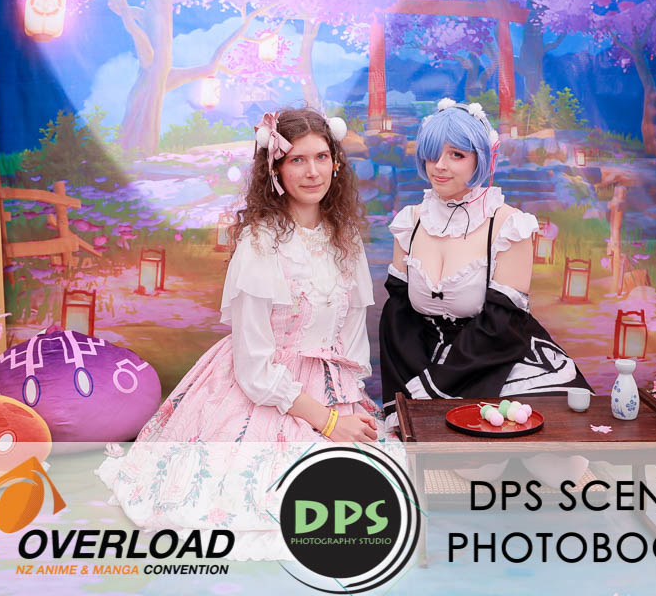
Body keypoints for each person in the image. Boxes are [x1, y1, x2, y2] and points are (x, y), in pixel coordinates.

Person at [97, 108, 378, 558]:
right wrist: (327, 422)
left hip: (330, 389)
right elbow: (255, 371)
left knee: (366, 499)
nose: (313, 171)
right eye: (297, 160)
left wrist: (347, 406)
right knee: (271, 504)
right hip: (265, 391)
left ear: (336, 163)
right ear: (275, 169)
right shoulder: (260, 243)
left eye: (322, 157)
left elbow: (350, 339)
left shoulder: (345, 238)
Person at [379, 99, 591, 429]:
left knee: (543, 445)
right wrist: (414, 394)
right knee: (444, 446)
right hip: (426, 364)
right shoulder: (410, 222)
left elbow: (501, 325)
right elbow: (398, 320)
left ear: (480, 158)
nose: (440, 166)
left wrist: (437, 388)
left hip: (498, 358)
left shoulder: (509, 225)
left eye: (456, 155)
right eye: (433, 155)